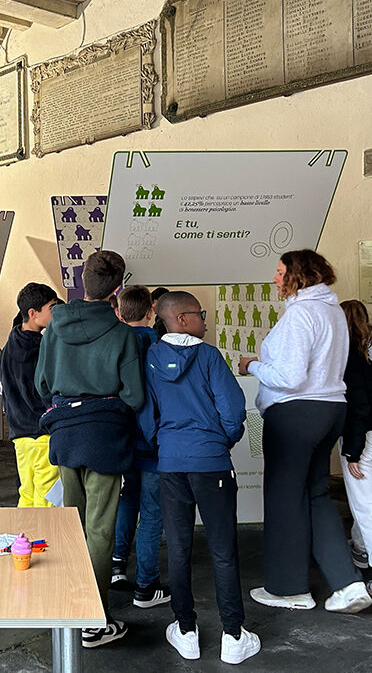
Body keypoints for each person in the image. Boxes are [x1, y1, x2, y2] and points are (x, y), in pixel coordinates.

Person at [240, 249, 370, 614]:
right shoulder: (333, 312)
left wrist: (253, 365)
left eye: (280, 272)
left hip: (296, 413)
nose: (275, 278)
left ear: (299, 275)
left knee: (284, 499)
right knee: (316, 495)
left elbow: (290, 377)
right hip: (332, 409)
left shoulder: (301, 314)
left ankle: (288, 589)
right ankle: (348, 584)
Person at [140, 291, 260, 665]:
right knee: (223, 551)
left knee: (178, 549)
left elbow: (146, 413)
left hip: (171, 463)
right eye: (200, 314)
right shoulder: (209, 357)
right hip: (211, 463)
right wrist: (220, 441)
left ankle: (186, 630)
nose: (205, 321)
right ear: (182, 319)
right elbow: (233, 409)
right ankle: (234, 635)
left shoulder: (151, 357)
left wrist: (164, 444)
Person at [35, 250, 145, 649]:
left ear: (81, 279)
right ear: (118, 288)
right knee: (100, 530)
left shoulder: (54, 327)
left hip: (65, 432)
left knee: (72, 524)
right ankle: (94, 619)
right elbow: (134, 396)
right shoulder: (123, 334)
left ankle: (69, 603)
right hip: (105, 436)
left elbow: (42, 385)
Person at [110, 285, 170, 609]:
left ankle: (117, 565)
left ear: (119, 314)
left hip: (120, 440)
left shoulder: (113, 346)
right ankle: (146, 585)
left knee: (127, 498)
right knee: (151, 511)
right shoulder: (159, 348)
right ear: (151, 312)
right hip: (152, 444)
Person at [0, 282, 58, 507]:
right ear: (33, 313)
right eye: (51, 308)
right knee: (47, 498)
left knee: (27, 493)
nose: (56, 312)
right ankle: (41, 532)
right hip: (42, 434)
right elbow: (45, 391)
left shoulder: (10, 343)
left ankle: (23, 531)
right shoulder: (41, 348)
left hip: (19, 435)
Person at [339, 300, 372, 583]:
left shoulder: (349, 356)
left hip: (364, 439)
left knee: (364, 506)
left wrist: (353, 452)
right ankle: (360, 548)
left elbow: (360, 408)